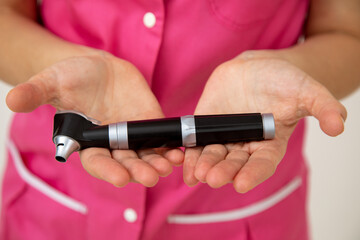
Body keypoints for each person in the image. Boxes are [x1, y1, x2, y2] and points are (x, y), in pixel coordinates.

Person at [0, 0, 359, 239]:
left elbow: (347, 33)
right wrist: (50, 67)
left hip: (239, 211)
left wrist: (293, 70)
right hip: (46, 209)